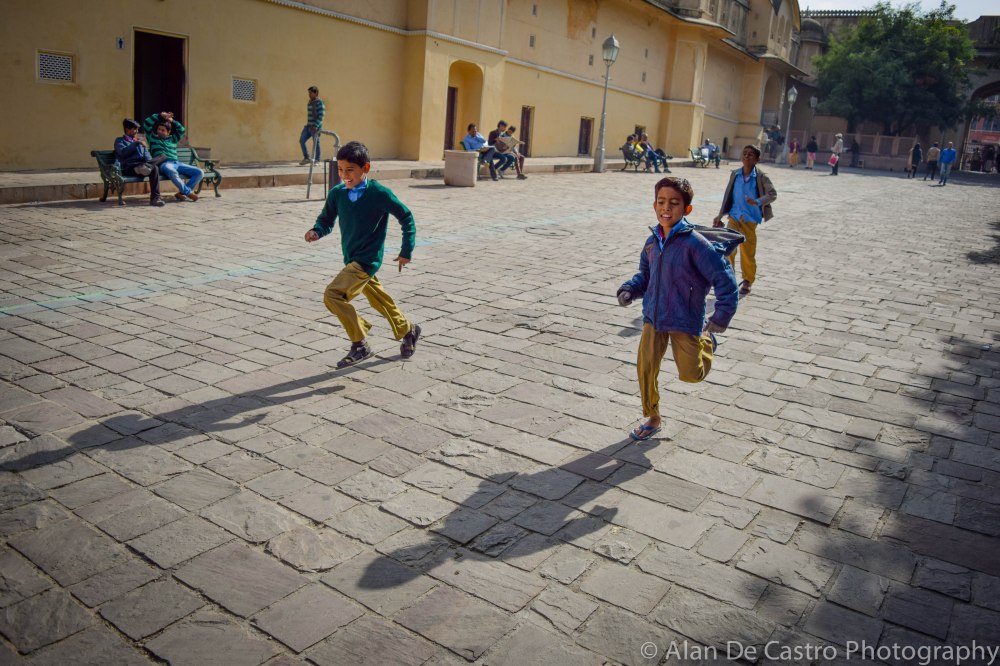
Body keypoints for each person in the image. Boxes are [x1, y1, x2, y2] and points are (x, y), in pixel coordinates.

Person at [616, 176, 742, 441]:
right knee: (645, 367)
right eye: (661, 202)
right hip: (653, 316)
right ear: (654, 205)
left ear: (687, 209)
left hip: (685, 318)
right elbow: (645, 275)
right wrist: (630, 289)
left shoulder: (697, 245)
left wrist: (721, 316)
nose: (666, 208)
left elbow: (725, 280)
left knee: (691, 375)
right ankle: (653, 417)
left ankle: (707, 342)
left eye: (674, 203)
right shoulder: (652, 242)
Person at [304, 141, 420, 368]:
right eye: (340, 169)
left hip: (367, 260)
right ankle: (408, 330)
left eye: (350, 170)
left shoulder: (379, 194)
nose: (344, 175)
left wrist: (406, 250)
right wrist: (316, 231)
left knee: (333, 295)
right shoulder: (337, 193)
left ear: (365, 168)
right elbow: (326, 220)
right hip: (351, 258)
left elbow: (406, 217)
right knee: (380, 301)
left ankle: (360, 344)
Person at [712, 145, 777, 297]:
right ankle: (729, 280)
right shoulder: (735, 174)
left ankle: (748, 280)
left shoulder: (761, 177)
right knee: (728, 249)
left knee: (747, 251)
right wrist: (720, 215)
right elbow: (728, 195)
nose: (747, 156)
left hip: (750, 218)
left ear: (757, 159)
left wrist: (758, 201)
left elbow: (772, 194)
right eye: (745, 153)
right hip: (734, 216)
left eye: (751, 154)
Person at [143, 112, 203, 201]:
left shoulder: (173, 139)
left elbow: (181, 130)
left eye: (163, 130)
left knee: (199, 172)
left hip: (177, 163)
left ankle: (182, 193)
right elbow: (147, 123)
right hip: (164, 164)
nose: (160, 131)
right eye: (159, 129)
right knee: (172, 171)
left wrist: (172, 121)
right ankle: (188, 192)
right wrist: (160, 115)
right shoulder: (152, 138)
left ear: (168, 132)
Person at [114, 118, 164, 207]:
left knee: (162, 157)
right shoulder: (119, 141)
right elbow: (123, 152)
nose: (137, 131)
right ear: (127, 129)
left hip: (143, 166)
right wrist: (137, 143)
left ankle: (155, 198)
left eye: (137, 129)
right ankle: (144, 166)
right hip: (130, 167)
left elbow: (148, 157)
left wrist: (148, 161)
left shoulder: (139, 141)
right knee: (151, 167)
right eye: (134, 129)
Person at [300, 86, 326, 165]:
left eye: (311, 93)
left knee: (316, 143)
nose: (309, 94)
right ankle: (307, 158)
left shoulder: (320, 103)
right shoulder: (309, 102)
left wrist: (316, 126)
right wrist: (309, 125)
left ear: (316, 93)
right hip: (308, 127)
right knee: (302, 140)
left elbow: (321, 116)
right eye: (309, 93)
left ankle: (317, 160)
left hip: (315, 127)